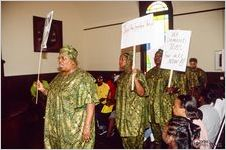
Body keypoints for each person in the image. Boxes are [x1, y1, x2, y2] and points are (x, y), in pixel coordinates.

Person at [36, 45, 99, 149]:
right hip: (58, 126)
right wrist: (43, 89)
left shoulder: (83, 77)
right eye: (59, 58)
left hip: (75, 128)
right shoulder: (59, 77)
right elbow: (53, 95)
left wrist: (87, 127)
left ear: (72, 61)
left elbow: (90, 103)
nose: (60, 61)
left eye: (63, 58)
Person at [145, 49, 180, 147]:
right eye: (156, 56)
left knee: (166, 131)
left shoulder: (170, 71)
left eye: (159, 56)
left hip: (163, 108)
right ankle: (157, 144)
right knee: (155, 131)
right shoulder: (150, 72)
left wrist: (172, 89)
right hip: (152, 107)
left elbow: (178, 87)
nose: (157, 58)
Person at [115, 51, 149, 149]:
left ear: (129, 61)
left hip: (134, 117)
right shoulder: (121, 77)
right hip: (123, 116)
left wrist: (135, 79)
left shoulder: (138, 75)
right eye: (119, 59)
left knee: (136, 144)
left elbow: (143, 93)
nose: (120, 61)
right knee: (126, 144)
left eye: (122, 59)